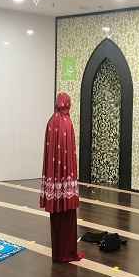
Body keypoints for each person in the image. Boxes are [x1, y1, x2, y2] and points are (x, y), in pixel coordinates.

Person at [40, 93, 85, 262]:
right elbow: (70, 155)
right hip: (66, 183)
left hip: (54, 184)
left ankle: (58, 253)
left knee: (56, 218)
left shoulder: (51, 121)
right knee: (67, 217)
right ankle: (67, 253)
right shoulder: (67, 122)